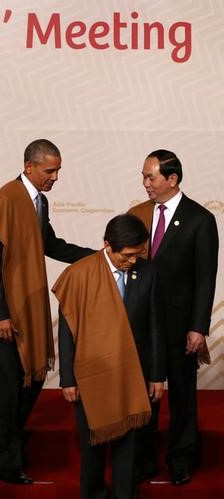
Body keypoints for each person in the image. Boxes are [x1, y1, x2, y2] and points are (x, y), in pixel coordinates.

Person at [0, 139, 94, 484]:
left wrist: (97, 257)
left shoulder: (39, 202)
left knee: (31, 382)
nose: (55, 177)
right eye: (50, 170)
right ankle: (6, 464)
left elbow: (50, 244)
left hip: (28, 311)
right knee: (6, 394)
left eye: (58, 170)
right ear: (29, 166)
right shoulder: (5, 200)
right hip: (5, 315)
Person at [53, 214, 165, 499]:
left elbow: (155, 326)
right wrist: (67, 378)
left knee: (129, 448)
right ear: (107, 245)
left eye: (139, 254)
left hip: (133, 373)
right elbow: (67, 332)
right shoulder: (79, 274)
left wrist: (156, 376)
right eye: (127, 256)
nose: (133, 261)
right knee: (92, 449)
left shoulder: (148, 272)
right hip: (90, 377)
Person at [128, 149, 219, 485]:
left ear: (172, 179)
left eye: (150, 177)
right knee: (144, 397)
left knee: (182, 397)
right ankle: (145, 459)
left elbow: (205, 278)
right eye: (143, 176)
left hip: (181, 329)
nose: (145, 183)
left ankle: (181, 459)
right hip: (143, 326)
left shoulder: (200, 220)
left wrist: (198, 327)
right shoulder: (139, 215)